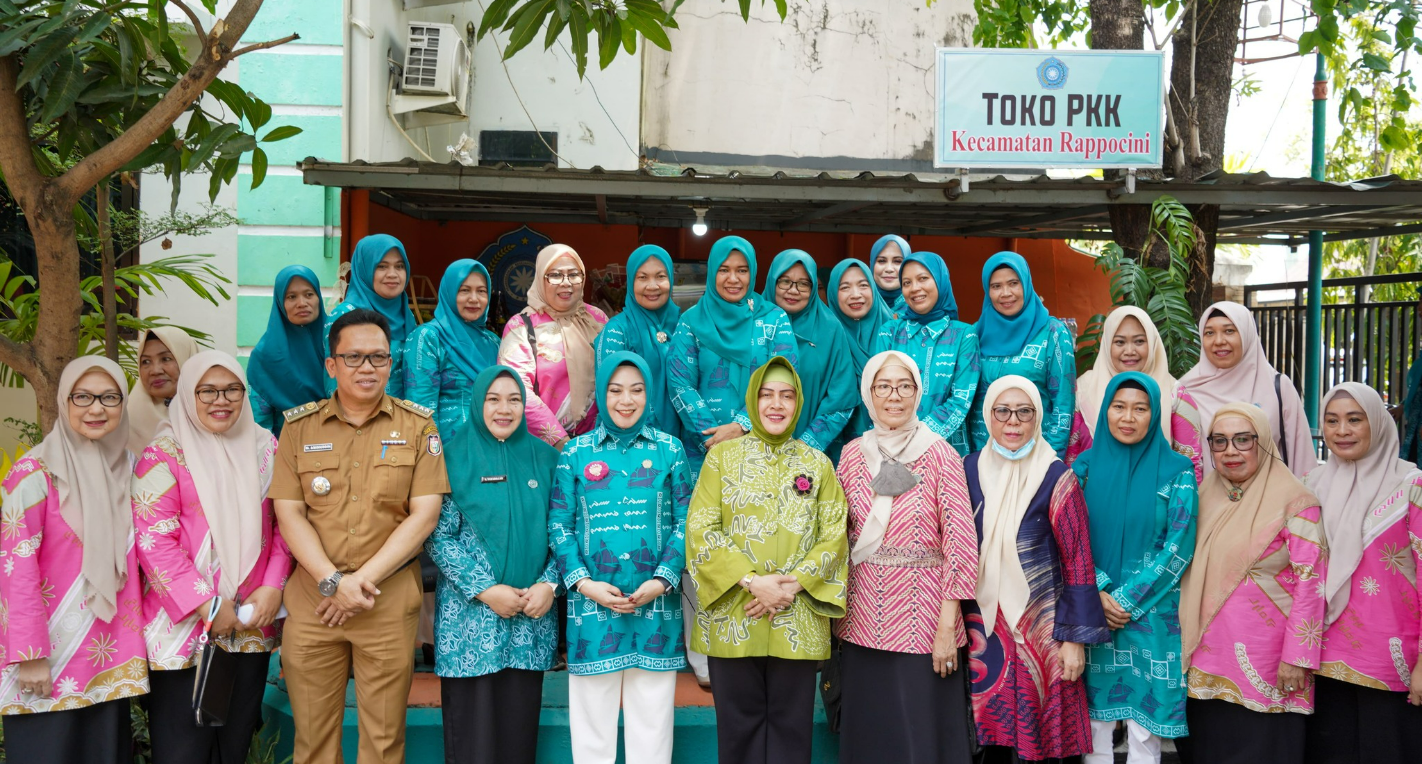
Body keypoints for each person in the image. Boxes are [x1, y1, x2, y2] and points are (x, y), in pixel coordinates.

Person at [270, 308, 450, 764]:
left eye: (378, 357)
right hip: (315, 603)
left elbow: (424, 515)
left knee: (384, 742)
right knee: (312, 742)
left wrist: (357, 583)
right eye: (353, 358)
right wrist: (334, 582)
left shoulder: (418, 427)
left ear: (392, 363)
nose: (367, 368)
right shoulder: (298, 428)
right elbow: (289, 515)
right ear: (331, 365)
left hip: (385, 602)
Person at [133, 351, 293, 764]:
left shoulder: (265, 448)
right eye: (207, 390)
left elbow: (284, 525)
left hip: (250, 624)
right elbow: (154, 541)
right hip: (184, 631)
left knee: (234, 745)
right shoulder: (164, 454)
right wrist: (208, 603)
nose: (221, 400)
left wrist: (274, 586)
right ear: (188, 394)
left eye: (232, 389)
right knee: (183, 750)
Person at [686, 356, 848, 764]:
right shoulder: (721, 459)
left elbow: (834, 536)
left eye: (787, 395)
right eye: (767, 395)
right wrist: (753, 582)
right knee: (738, 734)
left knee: (791, 733)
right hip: (734, 617)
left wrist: (789, 586)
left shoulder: (817, 464)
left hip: (797, 618)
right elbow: (701, 530)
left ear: (798, 403)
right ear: (752, 401)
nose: (777, 404)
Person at [0, 357, 148, 763]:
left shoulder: (129, 469)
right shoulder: (34, 474)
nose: (96, 409)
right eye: (82, 397)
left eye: (109, 397)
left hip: (107, 652)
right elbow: (16, 567)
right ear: (65, 402)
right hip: (48, 656)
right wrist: (29, 653)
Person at [834, 350, 978, 763]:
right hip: (862, 617)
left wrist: (946, 627)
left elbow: (961, 546)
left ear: (918, 392)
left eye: (904, 386)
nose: (894, 396)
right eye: (883, 386)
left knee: (920, 729)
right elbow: (837, 533)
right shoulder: (851, 455)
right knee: (872, 731)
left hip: (924, 620)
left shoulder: (939, 454)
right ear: (869, 393)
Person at [550, 351, 692, 764]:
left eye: (636, 390)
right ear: (602, 393)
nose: (625, 400)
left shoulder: (670, 450)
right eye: (615, 390)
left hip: (656, 607)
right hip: (591, 610)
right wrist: (584, 583)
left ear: (649, 394)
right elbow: (559, 524)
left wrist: (663, 579)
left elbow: (687, 520)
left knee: (652, 726)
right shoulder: (575, 454)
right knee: (592, 731)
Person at [964, 375, 1110, 764]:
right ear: (988, 416)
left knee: (1039, 743)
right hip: (983, 632)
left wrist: (1074, 640)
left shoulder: (1056, 477)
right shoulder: (969, 471)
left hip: (1044, 638)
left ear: (1038, 418)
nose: (1013, 421)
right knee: (987, 739)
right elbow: (956, 551)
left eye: (1024, 411)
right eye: (1003, 411)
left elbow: (1078, 561)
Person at [1179, 403, 1327, 764]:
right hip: (1204, 657)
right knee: (1207, 748)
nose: (1230, 451)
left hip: (1268, 661)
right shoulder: (1202, 496)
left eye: (1243, 440)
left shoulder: (1296, 501)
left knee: (1263, 749)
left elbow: (1312, 583)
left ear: (1263, 443)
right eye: (1220, 441)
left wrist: (1297, 657)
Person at [425, 365, 559, 764]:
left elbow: (564, 532)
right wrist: (486, 590)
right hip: (469, 626)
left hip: (530, 621)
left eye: (514, 399)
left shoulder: (547, 460)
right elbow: (436, 535)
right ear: (477, 402)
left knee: (518, 736)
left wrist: (550, 585)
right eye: (493, 399)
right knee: (473, 741)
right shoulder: (451, 460)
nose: (505, 408)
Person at [1073, 372, 1198, 764]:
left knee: (1147, 731)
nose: (1128, 417)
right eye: (1119, 406)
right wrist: (1098, 591)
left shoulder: (1178, 471)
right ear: (1105, 409)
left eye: (1140, 409)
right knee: (1095, 725)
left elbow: (1179, 544)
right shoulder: (1083, 468)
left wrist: (1123, 600)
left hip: (1152, 614)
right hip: (1094, 609)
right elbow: (1070, 538)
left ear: (1154, 414)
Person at [1301, 383, 1422, 764]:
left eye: (1355, 420)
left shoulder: (1411, 486)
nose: (1342, 431)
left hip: (1394, 664)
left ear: (1379, 424)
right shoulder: (1310, 486)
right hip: (1323, 658)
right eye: (1332, 421)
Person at [667, 235, 798, 473]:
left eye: (742, 270)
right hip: (704, 451)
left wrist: (742, 425)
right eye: (724, 270)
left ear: (752, 273)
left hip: (763, 446)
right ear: (713, 273)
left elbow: (784, 377)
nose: (733, 279)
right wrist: (714, 439)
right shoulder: (691, 321)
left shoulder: (774, 318)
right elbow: (680, 384)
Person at [1178, 301, 1317, 477]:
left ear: (1247, 335)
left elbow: (1301, 456)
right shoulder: (1186, 391)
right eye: (1209, 333)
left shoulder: (1278, 388)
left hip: (1269, 501)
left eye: (1229, 331)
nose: (1219, 341)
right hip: (1206, 501)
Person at [1068, 306, 1205, 481]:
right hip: (1091, 500)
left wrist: (1183, 504)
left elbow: (1191, 462)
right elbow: (1071, 458)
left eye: (1139, 341)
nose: (1130, 351)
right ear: (1107, 344)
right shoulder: (1084, 390)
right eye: (1119, 342)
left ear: (1152, 342)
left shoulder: (1174, 393)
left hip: (1156, 499)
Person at [498, 244, 608, 448]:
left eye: (574, 275)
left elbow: (614, 377)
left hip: (598, 443)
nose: (566, 283)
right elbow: (517, 388)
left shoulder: (597, 320)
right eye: (555, 275)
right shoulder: (521, 326)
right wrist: (559, 441)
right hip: (544, 447)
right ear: (541, 278)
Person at [871, 250, 980, 455]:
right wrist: (896, 442)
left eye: (923, 279)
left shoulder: (964, 335)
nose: (915, 288)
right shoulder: (889, 332)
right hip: (889, 448)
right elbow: (878, 390)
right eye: (907, 282)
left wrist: (913, 439)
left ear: (940, 281)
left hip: (945, 451)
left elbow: (960, 401)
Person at [970, 252, 1077, 457]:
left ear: (1026, 285)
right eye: (996, 286)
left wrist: (1050, 462)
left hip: (1035, 455)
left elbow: (1063, 405)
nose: (1005, 293)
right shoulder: (976, 334)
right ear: (987, 290)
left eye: (1013, 283)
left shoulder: (1053, 333)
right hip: (984, 456)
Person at [759, 249, 857, 454]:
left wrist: (805, 446)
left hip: (810, 452)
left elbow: (842, 396)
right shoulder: (754, 324)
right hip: (754, 447)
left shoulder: (830, 329)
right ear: (772, 282)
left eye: (804, 283)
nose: (793, 290)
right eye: (785, 281)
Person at [595, 244, 684, 444]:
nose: (652, 286)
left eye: (660, 276)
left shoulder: (683, 324)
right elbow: (610, 390)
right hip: (630, 437)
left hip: (683, 438)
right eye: (642, 277)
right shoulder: (617, 330)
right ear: (631, 281)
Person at [405, 259, 501, 444]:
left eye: (481, 291)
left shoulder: (493, 342)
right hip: (448, 450)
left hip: (491, 445)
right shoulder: (429, 338)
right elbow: (422, 408)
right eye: (464, 290)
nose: (474, 298)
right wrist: (433, 457)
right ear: (449, 292)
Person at [327, 234, 418, 398]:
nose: (392, 274)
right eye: (382, 266)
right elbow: (333, 380)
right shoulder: (344, 315)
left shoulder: (406, 314)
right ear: (365, 269)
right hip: (358, 417)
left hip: (402, 417)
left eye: (399, 266)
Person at [249, 265, 329, 436]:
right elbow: (260, 426)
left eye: (309, 294)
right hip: (287, 451)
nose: (302, 303)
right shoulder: (265, 355)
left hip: (343, 447)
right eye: (291, 297)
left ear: (318, 298)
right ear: (280, 302)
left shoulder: (338, 342)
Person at [826, 258, 895, 454]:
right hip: (837, 447)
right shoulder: (825, 337)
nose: (855, 295)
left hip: (894, 447)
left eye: (863, 285)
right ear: (833, 293)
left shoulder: (898, 334)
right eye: (844, 287)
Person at [128, 326, 199, 453]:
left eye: (166, 359)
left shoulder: (214, 411)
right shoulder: (127, 420)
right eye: (146, 361)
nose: (155, 371)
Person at [868, 234, 910, 315]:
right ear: (872, 265)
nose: (889, 269)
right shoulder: (858, 304)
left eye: (897, 261)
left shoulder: (920, 308)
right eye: (882, 261)